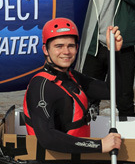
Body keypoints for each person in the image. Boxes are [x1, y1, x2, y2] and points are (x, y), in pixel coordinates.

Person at [22, 18, 122, 154]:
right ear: (46, 49)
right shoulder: (41, 87)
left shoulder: (72, 77)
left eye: (71, 46)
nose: (66, 51)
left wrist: (113, 53)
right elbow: (47, 139)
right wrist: (99, 145)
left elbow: (112, 91)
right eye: (59, 46)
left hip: (78, 156)